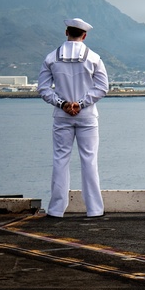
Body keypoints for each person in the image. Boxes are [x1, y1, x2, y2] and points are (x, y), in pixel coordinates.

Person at [37, 18, 109, 218]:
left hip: (62, 115)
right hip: (87, 116)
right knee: (90, 161)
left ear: (66, 32)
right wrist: (82, 103)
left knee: (60, 160)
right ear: (84, 36)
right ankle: (94, 209)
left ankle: (56, 209)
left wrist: (63, 103)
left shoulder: (51, 58)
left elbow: (43, 89)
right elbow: (102, 88)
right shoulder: (94, 58)